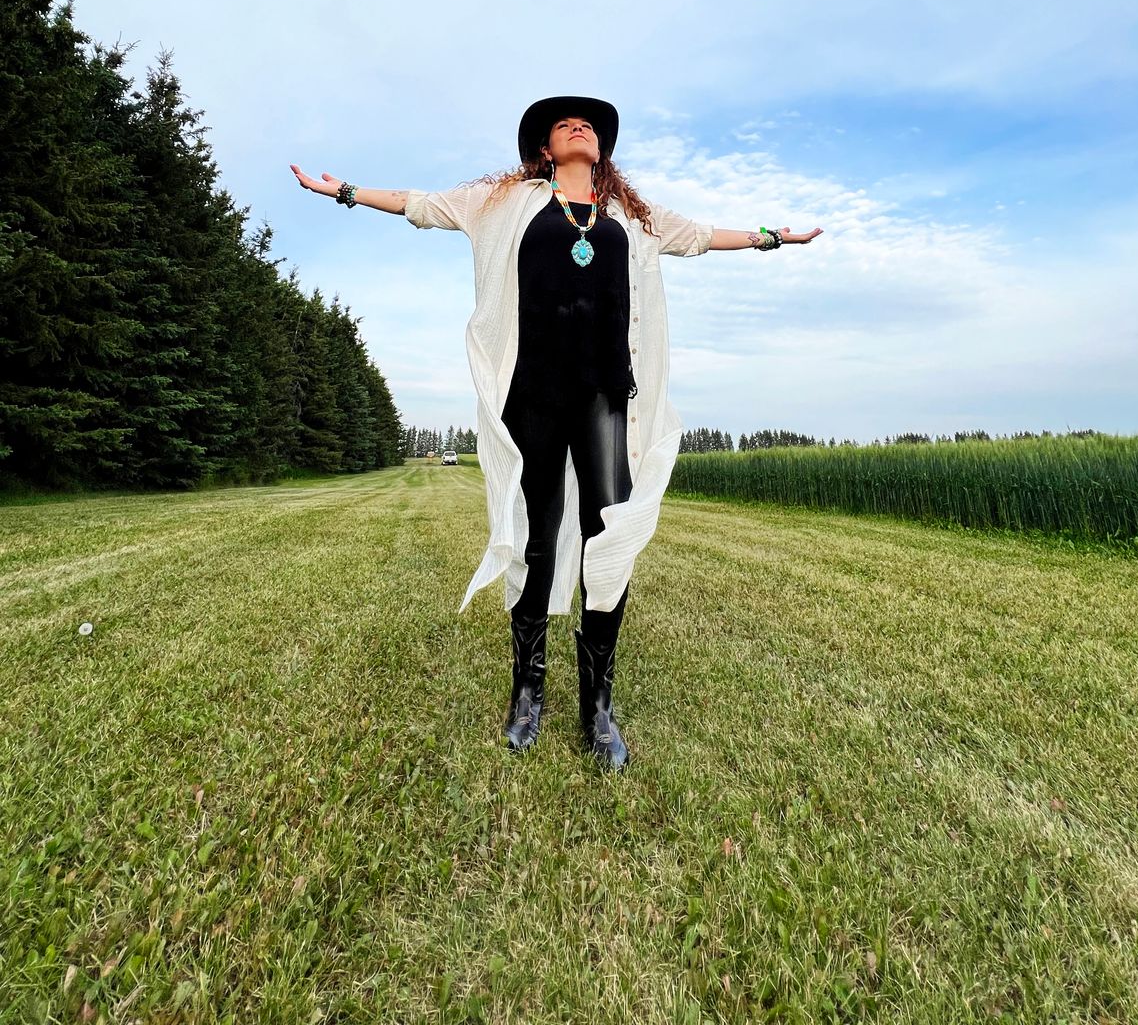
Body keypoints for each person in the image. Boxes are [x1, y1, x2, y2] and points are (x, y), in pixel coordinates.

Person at [290, 96, 822, 771]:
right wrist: (344, 191)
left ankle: (597, 706)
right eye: (567, 122)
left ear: (601, 150)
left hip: (604, 397)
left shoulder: (631, 215)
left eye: (590, 124)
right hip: (532, 395)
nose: (581, 127)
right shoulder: (504, 203)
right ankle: (528, 693)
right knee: (536, 539)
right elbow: (421, 204)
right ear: (545, 147)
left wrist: (774, 238)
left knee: (610, 534)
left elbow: (702, 235)